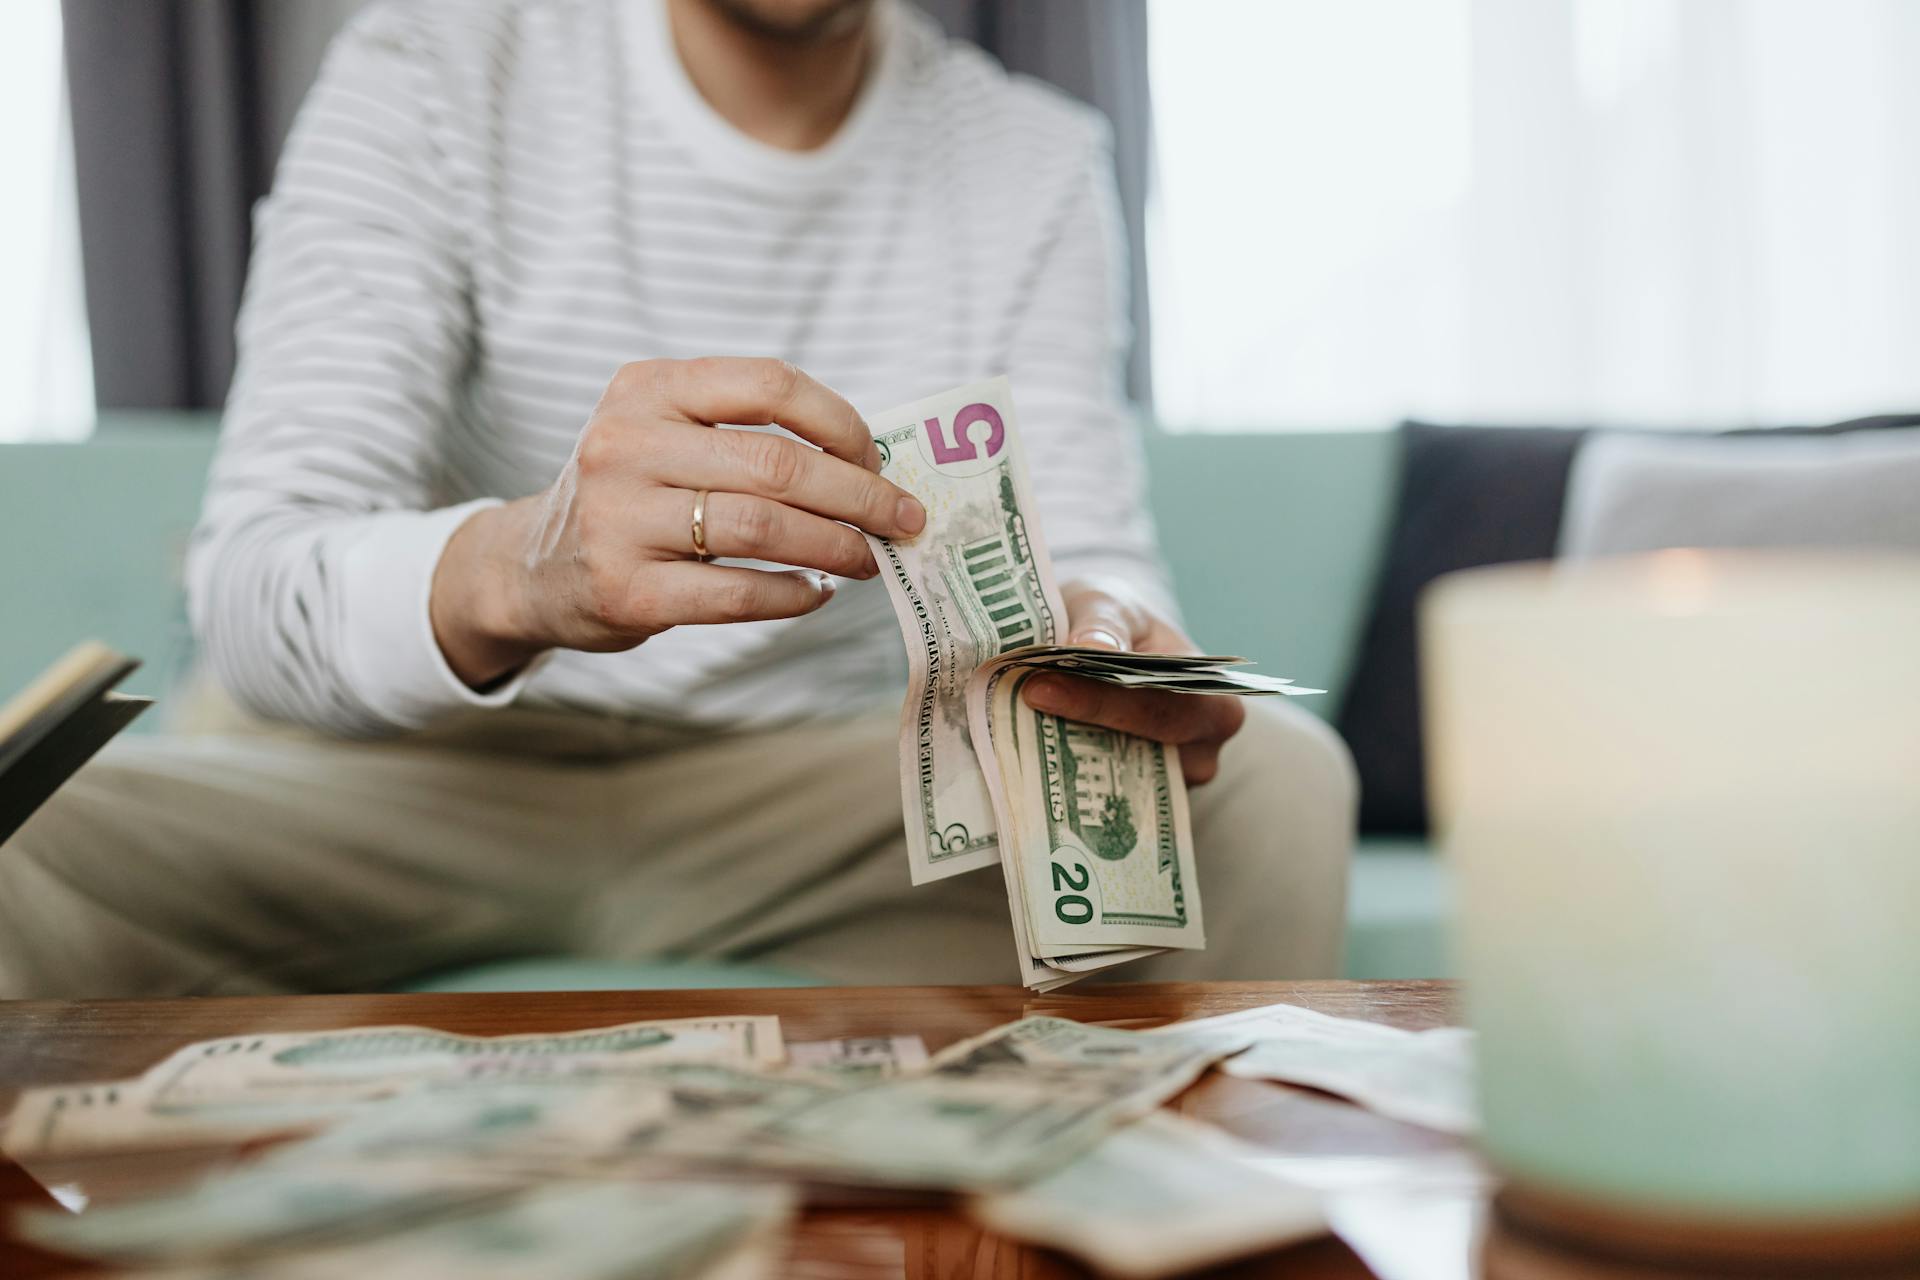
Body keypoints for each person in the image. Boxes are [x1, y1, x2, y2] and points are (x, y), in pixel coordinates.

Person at [0, 0, 1355, 998]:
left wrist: (1114, 641)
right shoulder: (430, 69)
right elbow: (249, 588)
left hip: (810, 801)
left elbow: (1098, 555)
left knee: (1274, 793)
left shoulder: (1034, 160)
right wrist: (518, 570)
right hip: (403, 791)